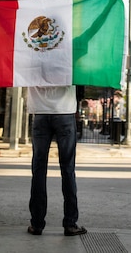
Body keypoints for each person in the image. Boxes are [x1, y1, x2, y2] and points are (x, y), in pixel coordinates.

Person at [27, 84, 87, 237]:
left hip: (40, 112)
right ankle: (70, 223)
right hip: (65, 111)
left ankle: (36, 224)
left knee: (39, 169)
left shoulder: (33, 59)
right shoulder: (69, 60)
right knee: (67, 169)